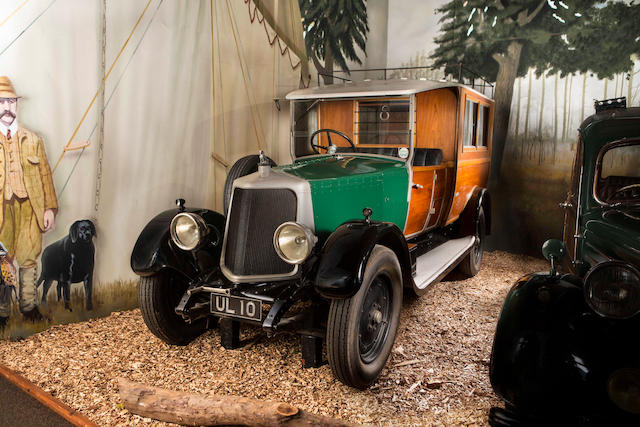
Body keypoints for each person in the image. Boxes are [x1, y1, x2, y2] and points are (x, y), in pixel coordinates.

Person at [0, 76, 58, 323]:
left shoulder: (33, 140)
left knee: (29, 258)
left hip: (30, 209)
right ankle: (1, 314)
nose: (7, 108)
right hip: (2, 210)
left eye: (11, 101)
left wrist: (49, 208)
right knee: (1, 258)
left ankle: (29, 309)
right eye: (1, 102)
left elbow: (45, 175)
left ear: (17, 104)